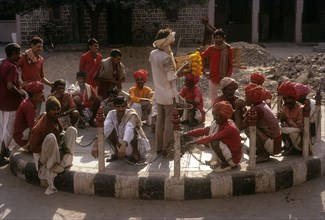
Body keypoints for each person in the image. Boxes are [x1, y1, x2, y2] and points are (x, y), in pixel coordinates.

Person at [149, 28, 188, 157]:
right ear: (166, 42)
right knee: (169, 123)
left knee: (159, 121)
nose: (172, 44)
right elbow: (171, 77)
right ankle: (167, 149)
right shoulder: (166, 57)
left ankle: (158, 148)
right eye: (171, 42)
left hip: (159, 93)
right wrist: (181, 70)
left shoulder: (153, 54)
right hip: (169, 94)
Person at [29, 96, 77, 195]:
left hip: (56, 151)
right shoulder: (42, 125)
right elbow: (33, 148)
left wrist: (61, 137)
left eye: (58, 109)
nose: (56, 112)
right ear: (48, 110)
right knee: (50, 137)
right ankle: (51, 166)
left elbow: (60, 132)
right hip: (43, 157)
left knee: (72, 130)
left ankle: (65, 162)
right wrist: (50, 145)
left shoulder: (55, 119)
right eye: (53, 110)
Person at [182, 101, 242, 172]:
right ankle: (218, 160)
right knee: (212, 139)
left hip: (234, 158)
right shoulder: (218, 123)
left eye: (217, 115)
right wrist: (187, 133)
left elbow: (212, 137)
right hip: (228, 151)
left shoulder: (229, 127)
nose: (215, 117)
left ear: (224, 116)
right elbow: (204, 130)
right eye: (214, 115)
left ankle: (225, 164)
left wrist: (192, 142)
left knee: (214, 142)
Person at [91, 96, 150, 163]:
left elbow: (129, 129)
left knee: (133, 129)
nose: (121, 109)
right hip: (120, 144)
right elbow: (105, 128)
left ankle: (135, 153)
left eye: (123, 106)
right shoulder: (111, 114)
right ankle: (116, 152)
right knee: (109, 128)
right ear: (114, 106)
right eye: (118, 107)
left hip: (134, 145)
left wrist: (124, 144)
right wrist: (96, 145)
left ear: (126, 106)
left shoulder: (131, 114)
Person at [237, 84, 282, 163]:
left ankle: (263, 154)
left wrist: (237, 108)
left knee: (249, 129)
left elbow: (240, 127)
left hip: (273, 146)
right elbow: (244, 118)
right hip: (275, 143)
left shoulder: (258, 110)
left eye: (246, 96)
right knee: (251, 126)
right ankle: (261, 150)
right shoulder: (261, 105)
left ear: (252, 98)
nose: (245, 98)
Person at [0, 43, 26, 166]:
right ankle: (1, 156)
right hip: (11, 103)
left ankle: (4, 151)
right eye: (18, 53)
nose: (20, 56)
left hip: (3, 102)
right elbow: (10, 86)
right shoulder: (11, 67)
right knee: (9, 130)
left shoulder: (3, 63)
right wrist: (21, 93)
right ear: (13, 54)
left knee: (4, 129)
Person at [18, 36, 53, 114]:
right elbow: (14, 69)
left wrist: (51, 84)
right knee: (27, 113)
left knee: (36, 114)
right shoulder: (24, 57)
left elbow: (42, 77)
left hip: (38, 90)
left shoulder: (40, 59)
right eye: (38, 47)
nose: (40, 49)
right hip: (28, 90)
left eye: (41, 47)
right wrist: (20, 83)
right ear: (32, 45)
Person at [201, 29, 233, 105]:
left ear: (223, 38)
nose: (218, 39)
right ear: (214, 38)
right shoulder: (211, 49)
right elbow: (201, 57)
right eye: (216, 37)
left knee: (226, 97)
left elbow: (231, 65)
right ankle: (215, 113)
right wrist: (204, 72)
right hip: (212, 76)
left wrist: (227, 78)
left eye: (220, 37)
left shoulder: (228, 49)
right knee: (214, 98)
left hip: (225, 77)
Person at [13, 81, 44, 149]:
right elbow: (32, 126)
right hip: (22, 137)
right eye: (40, 92)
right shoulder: (29, 106)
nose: (42, 94)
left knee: (43, 116)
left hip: (21, 134)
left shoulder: (29, 102)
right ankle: (30, 146)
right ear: (35, 94)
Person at [277, 82, 303, 155]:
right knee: (278, 127)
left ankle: (295, 149)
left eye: (289, 98)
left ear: (294, 97)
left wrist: (286, 119)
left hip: (300, 136)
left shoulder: (301, 109)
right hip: (290, 130)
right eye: (285, 98)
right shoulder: (284, 107)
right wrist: (280, 119)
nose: (287, 101)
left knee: (284, 129)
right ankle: (287, 146)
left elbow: (299, 127)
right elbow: (283, 123)